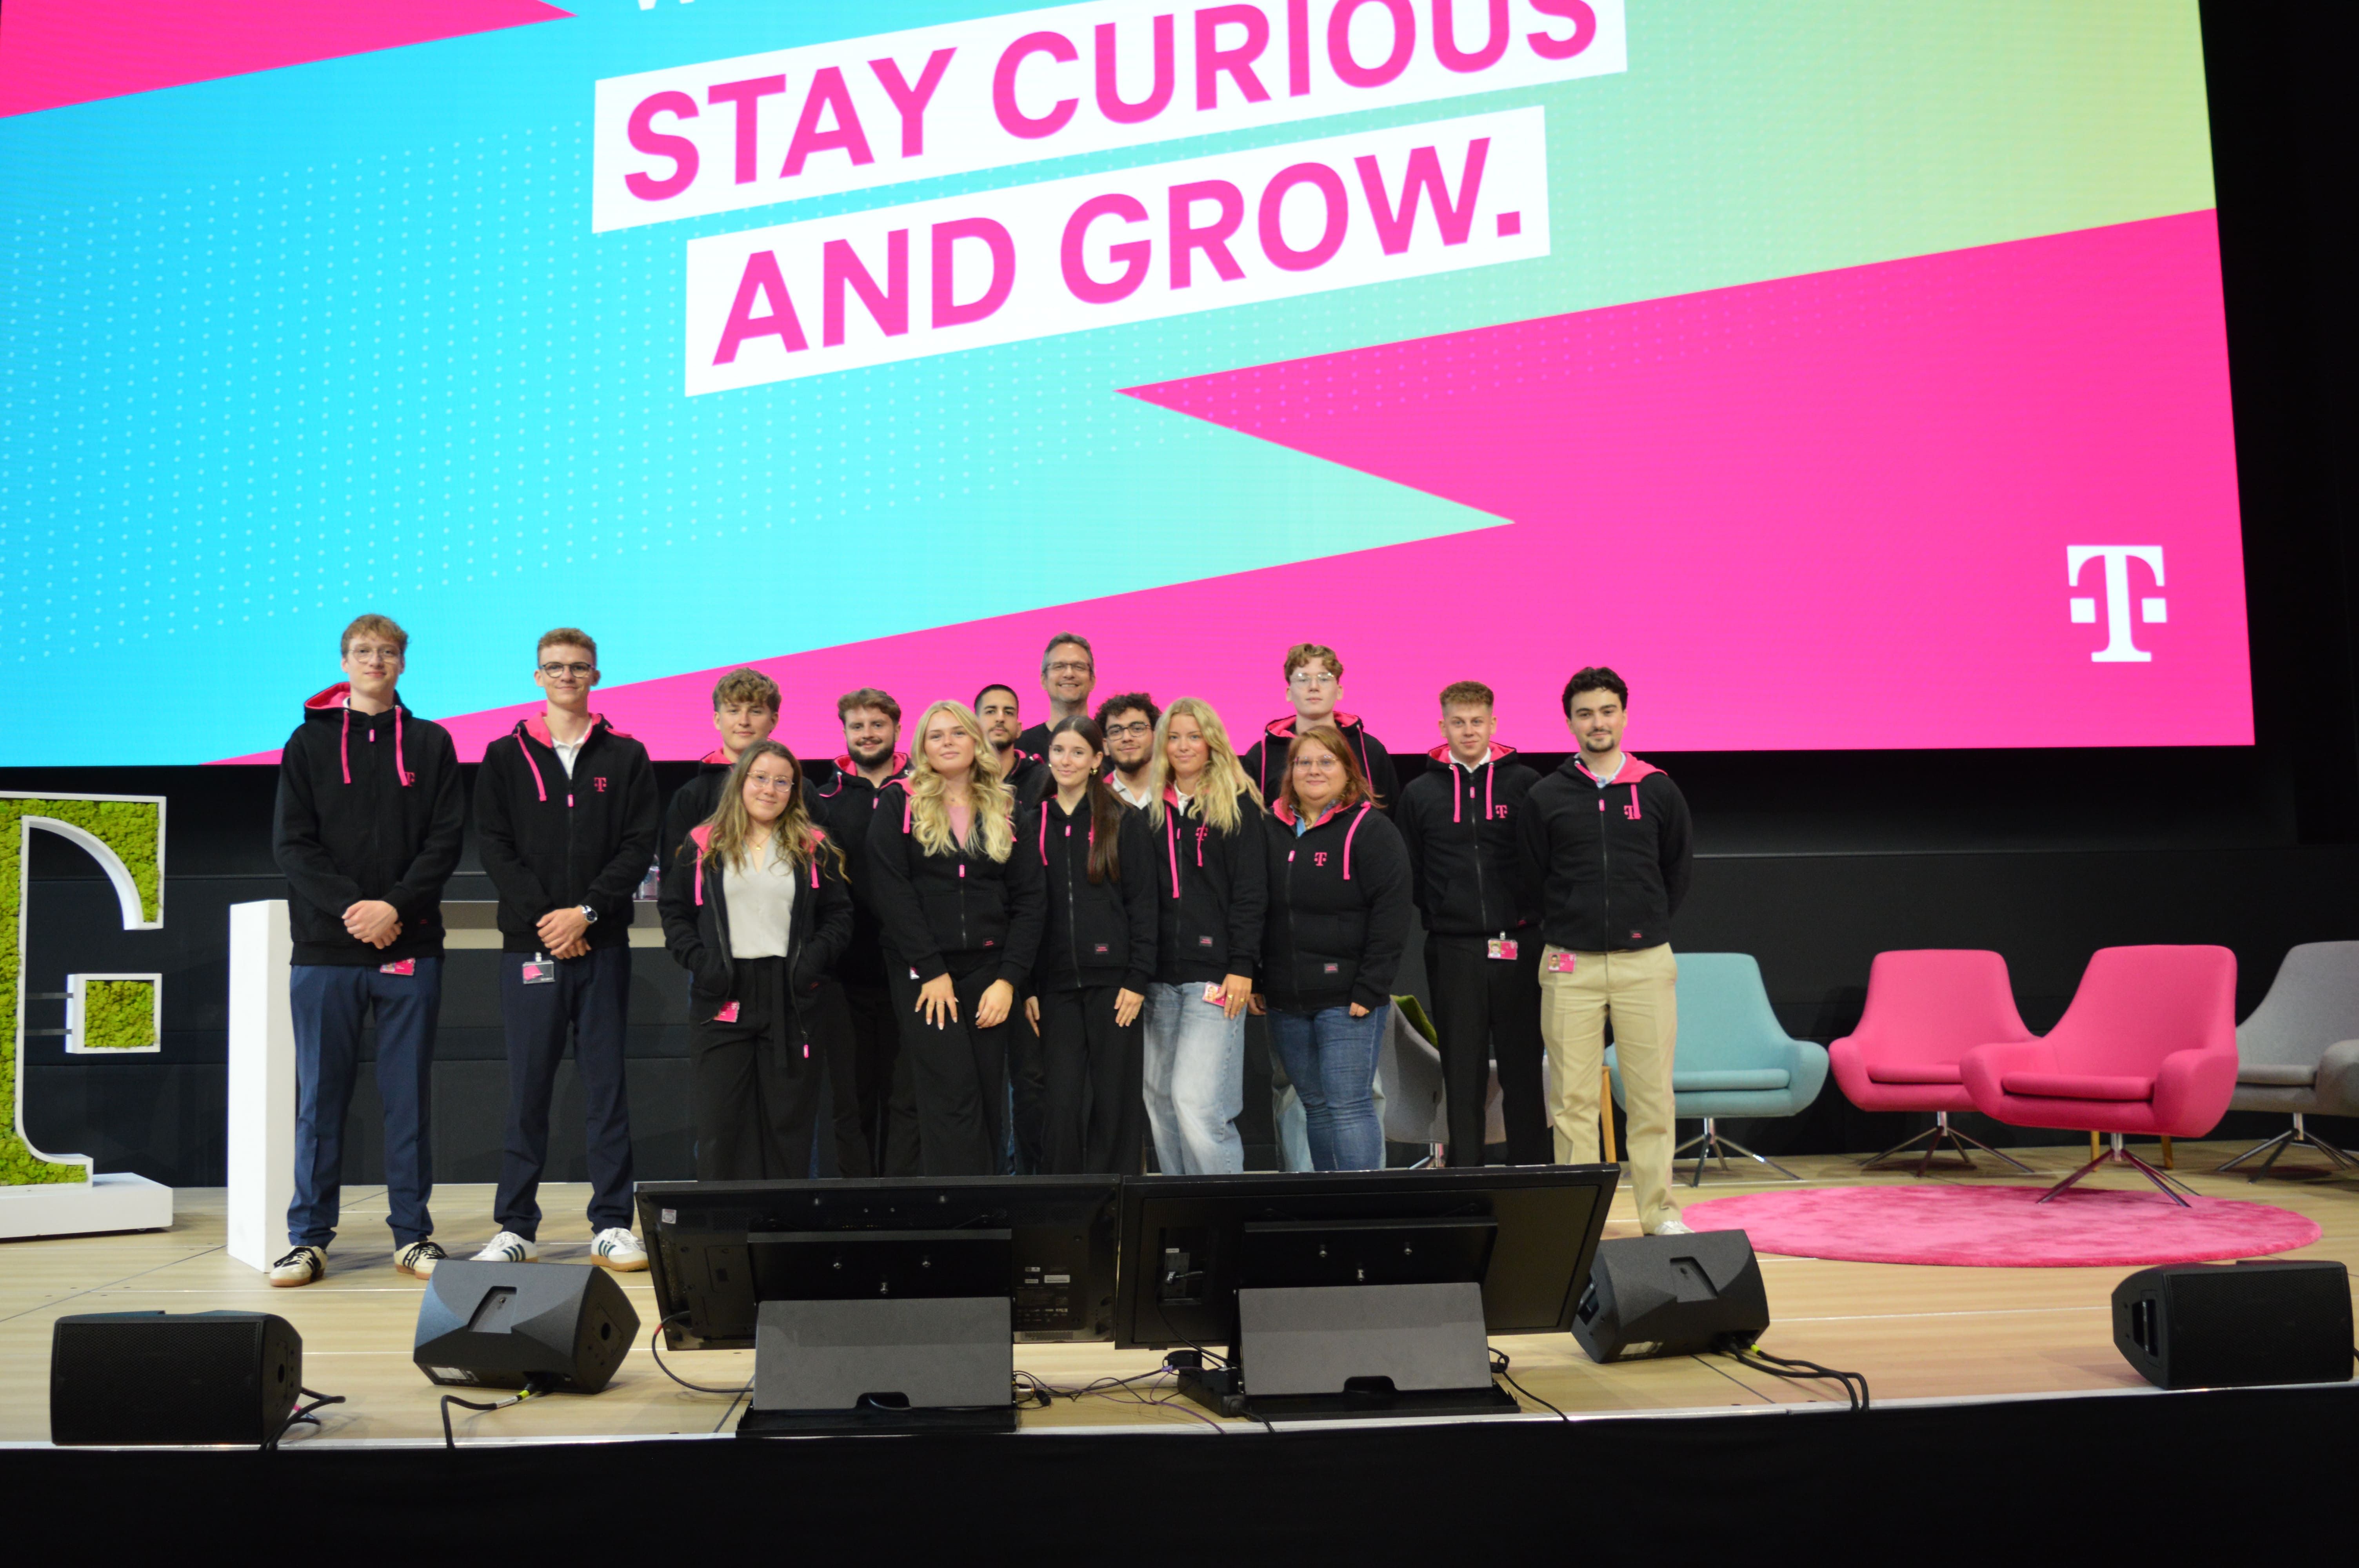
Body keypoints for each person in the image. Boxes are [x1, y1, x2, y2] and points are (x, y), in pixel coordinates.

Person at [267, 614, 464, 1287]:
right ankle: (308, 1239)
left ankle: (412, 1235)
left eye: (387, 653)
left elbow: (445, 841)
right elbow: (293, 845)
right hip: (326, 951)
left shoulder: (433, 743)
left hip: (411, 946)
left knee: (407, 1096)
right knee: (320, 1099)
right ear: (344, 662)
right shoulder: (308, 744)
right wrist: (357, 912)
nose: (375, 661)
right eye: (363, 652)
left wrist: (395, 909)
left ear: (403, 664)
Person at [471, 628, 659, 1269]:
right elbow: (494, 846)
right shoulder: (503, 756)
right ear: (537, 677)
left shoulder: (626, 756)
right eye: (555, 668)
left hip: (602, 944)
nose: (567, 677)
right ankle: (516, 1226)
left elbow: (638, 847)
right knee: (529, 1087)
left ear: (596, 676)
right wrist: (547, 920)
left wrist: (584, 913)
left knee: (606, 1087)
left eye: (579, 668)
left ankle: (611, 1222)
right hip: (530, 946)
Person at [1518, 667, 1696, 1236]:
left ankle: (1660, 1215)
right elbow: (1531, 876)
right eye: (1586, 713)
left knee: (1650, 1097)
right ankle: (1578, 1221)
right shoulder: (1546, 795)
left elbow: (1676, 872)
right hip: (1569, 965)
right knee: (1571, 1100)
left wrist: (1641, 927)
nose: (1598, 722)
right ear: (1570, 722)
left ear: (1624, 714)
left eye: (1607, 711)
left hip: (1645, 963)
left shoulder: (1659, 789)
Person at [867, 700, 1046, 1176]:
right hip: (924, 975)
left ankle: (989, 1208)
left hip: (990, 973)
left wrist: (1009, 980)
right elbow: (893, 892)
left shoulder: (1007, 806)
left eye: (957, 733)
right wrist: (932, 971)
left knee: (989, 1092)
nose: (947, 742)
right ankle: (959, 1212)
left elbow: (1030, 900)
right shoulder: (897, 801)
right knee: (953, 1092)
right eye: (935, 735)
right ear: (922, 746)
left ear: (975, 741)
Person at [659, 741, 853, 1180]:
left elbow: (839, 915)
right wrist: (702, 963)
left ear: (794, 790)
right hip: (723, 994)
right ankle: (724, 1235)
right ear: (740, 782)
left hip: (792, 996)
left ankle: (780, 1234)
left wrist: (811, 965)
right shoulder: (703, 842)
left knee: (788, 1126)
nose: (770, 789)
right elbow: (674, 912)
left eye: (782, 781)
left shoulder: (813, 845)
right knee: (721, 1126)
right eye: (760, 778)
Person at [1396, 681, 1548, 1167]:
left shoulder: (1525, 784)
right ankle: (1466, 1177)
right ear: (1442, 726)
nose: (1468, 731)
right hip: (1454, 950)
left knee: (1523, 1070)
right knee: (1461, 1074)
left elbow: (1543, 860)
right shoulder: (1419, 793)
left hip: (1520, 945)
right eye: (1458, 722)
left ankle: (1531, 1178)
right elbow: (1413, 872)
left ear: (1493, 725)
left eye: (1476, 722)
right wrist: (1448, 914)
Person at [1252, 726, 1413, 1172]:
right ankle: (1330, 1208)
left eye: (1326, 761)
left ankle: (1366, 1218)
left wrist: (1370, 988)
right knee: (1316, 1106)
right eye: (1303, 762)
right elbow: (1254, 908)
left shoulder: (1372, 830)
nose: (1313, 770)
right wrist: (1259, 977)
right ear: (1290, 772)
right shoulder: (1269, 828)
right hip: (1286, 999)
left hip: (1349, 1000)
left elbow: (1392, 913)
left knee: (1348, 1105)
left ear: (1348, 771)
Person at [1024, 717, 1157, 1173]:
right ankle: (1063, 1214)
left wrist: (1137, 979)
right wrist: (1027, 987)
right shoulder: (1030, 823)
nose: (1066, 760)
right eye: (1059, 750)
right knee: (1060, 1105)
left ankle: (1117, 1212)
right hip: (1055, 990)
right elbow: (1023, 912)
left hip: (1116, 987)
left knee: (1116, 1103)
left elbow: (1144, 906)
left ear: (1098, 760)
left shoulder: (1123, 820)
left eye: (1078, 752)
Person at [1141, 698, 1267, 1174]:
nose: (1183, 746)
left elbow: (1251, 894)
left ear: (1212, 741)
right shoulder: (1152, 809)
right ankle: (1178, 1218)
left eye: (1193, 736)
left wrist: (1241, 966)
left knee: (1198, 1104)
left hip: (1215, 978)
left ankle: (1221, 1215)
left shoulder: (1237, 806)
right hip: (1158, 980)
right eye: (1173, 737)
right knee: (1161, 1103)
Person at [811, 688, 917, 1176]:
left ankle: (902, 1200)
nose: (868, 734)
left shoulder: (925, 790)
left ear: (897, 728)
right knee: (850, 1101)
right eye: (857, 726)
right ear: (845, 732)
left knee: (905, 1096)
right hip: (843, 974)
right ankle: (853, 1205)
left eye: (878, 724)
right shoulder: (820, 799)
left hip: (911, 970)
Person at [1239, 642, 1401, 811]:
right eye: (1303, 679)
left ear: (1339, 691)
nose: (1314, 687)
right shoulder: (1261, 757)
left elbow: (1391, 815)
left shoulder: (1370, 751)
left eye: (1324, 678)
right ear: (1289, 693)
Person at [659, 668, 781, 867]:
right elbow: (674, 882)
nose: (744, 721)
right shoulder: (691, 797)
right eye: (734, 711)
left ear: (773, 721)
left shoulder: (799, 791)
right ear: (718, 720)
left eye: (756, 711)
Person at [1015, 633, 1098, 757]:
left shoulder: (1112, 743)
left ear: (1092, 680)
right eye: (1059, 667)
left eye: (1079, 667)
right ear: (1044, 681)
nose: (1069, 674)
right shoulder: (1020, 748)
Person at [977, 681, 1049, 803]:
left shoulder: (1042, 780)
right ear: (975, 726)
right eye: (991, 712)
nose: (1000, 718)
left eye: (1009, 713)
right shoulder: (962, 778)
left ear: (1019, 729)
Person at [1095, 692, 1161, 810]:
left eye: (1137, 729)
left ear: (1156, 737)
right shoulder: (1094, 798)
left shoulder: (1179, 794)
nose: (1127, 738)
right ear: (1105, 745)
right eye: (1116, 731)